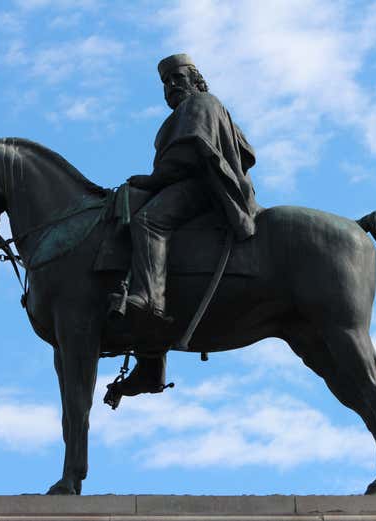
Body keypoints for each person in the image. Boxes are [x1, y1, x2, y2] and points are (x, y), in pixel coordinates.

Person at [109, 53, 260, 398]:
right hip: (192, 184)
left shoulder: (202, 103)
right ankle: (149, 363)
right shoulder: (188, 111)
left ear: (197, 80)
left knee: (149, 221)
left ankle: (149, 299)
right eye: (165, 82)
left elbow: (191, 155)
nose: (171, 86)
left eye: (177, 78)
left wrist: (152, 179)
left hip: (207, 188)